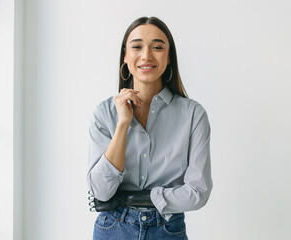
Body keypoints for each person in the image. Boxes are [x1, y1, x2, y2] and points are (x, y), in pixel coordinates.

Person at [87, 16, 212, 240]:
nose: (146, 55)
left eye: (157, 47)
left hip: (167, 229)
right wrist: (123, 124)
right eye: (136, 47)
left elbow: (198, 192)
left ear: (169, 57)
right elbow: (100, 191)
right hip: (112, 229)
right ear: (125, 56)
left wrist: (150, 197)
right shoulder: (104, 113)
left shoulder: (193, 115)